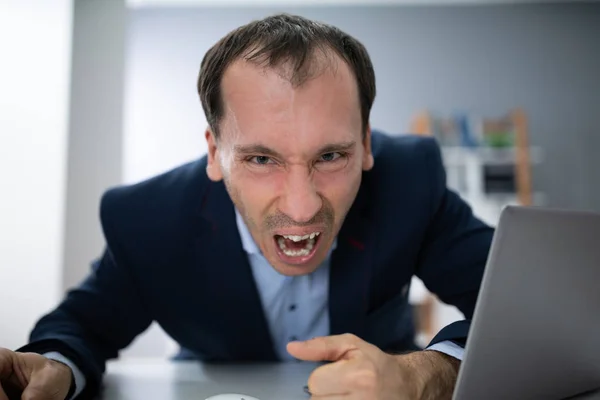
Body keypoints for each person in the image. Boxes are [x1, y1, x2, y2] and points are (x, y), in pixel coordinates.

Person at [0, 13, 494, 400]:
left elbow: (521, 307)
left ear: (365, 144)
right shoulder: (149, 219)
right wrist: (55, 367)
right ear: (216, 153)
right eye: (261, 158)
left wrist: (428, 373)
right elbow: (80, 326)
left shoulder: (409, 181)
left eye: (330, 155)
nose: (301, 209)